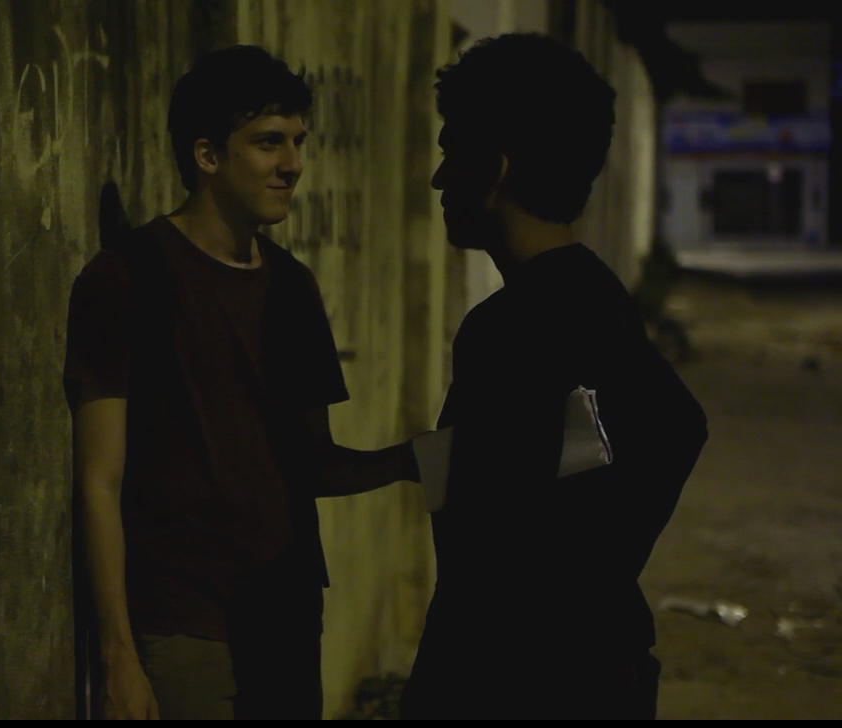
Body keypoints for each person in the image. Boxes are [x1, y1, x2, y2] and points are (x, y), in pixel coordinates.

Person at [64, 45, 420, 720]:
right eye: (268, 142)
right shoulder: (126, 278)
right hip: (185, 623)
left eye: (298, 142)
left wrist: (412, 459)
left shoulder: (293, 288)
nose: (293, 164)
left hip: (286, 619)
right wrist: (118, 654)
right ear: (207, 155)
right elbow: (99, 481)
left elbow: (310, 462)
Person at [399, 33, 709, 720]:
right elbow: (651, 430)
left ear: (496, 170)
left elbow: (507, 491)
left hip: (517, 680)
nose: (440, 178)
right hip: (583, 668)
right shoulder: (588, 293)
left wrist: (574, 582)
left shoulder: (515, 325)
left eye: (452, 153)